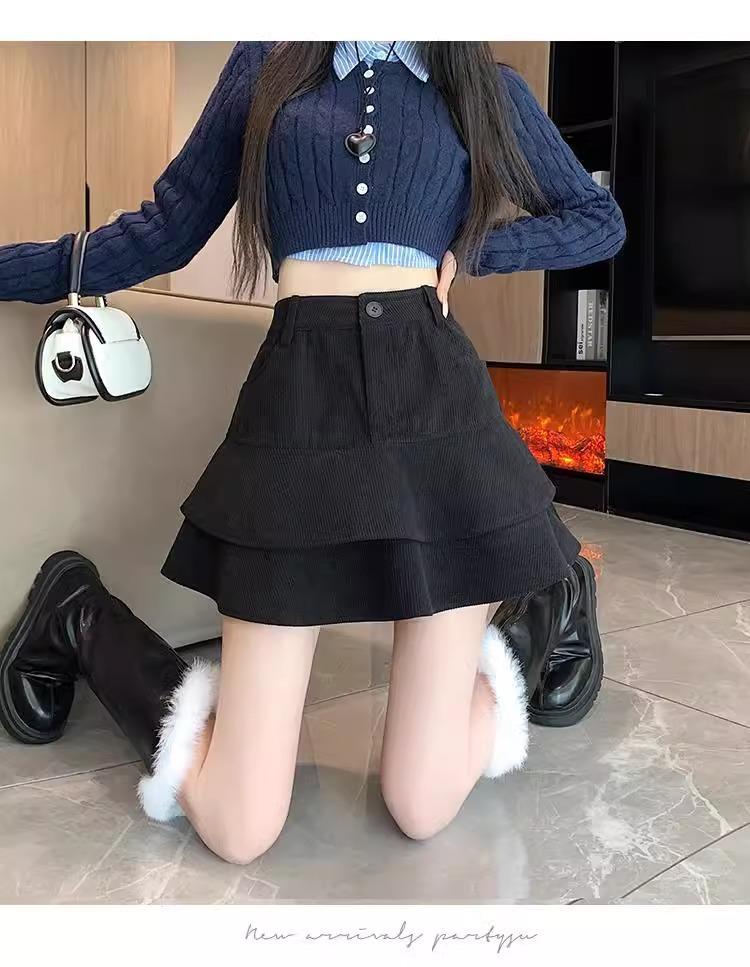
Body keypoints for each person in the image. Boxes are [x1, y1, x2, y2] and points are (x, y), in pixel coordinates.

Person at [0, 41, 625, 863]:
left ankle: (550, 600)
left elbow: (597, 219)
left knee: (420, 802)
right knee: (239, 824)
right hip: (297, 401)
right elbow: (163, 231)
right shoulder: (267, 66)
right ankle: (79, 615)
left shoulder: (480, 83)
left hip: (435, 400)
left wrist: (475, 249)